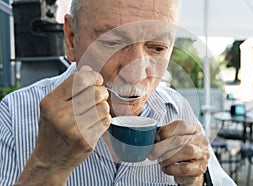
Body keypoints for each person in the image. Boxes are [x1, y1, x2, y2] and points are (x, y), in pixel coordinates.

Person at [0, 0, 236, 185]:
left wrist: (197, 180)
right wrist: (47, 166)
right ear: (72, 39)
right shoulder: (13, 116)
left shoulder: (178, 109)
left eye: (157, 48)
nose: (135, 75)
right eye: (113, 43)